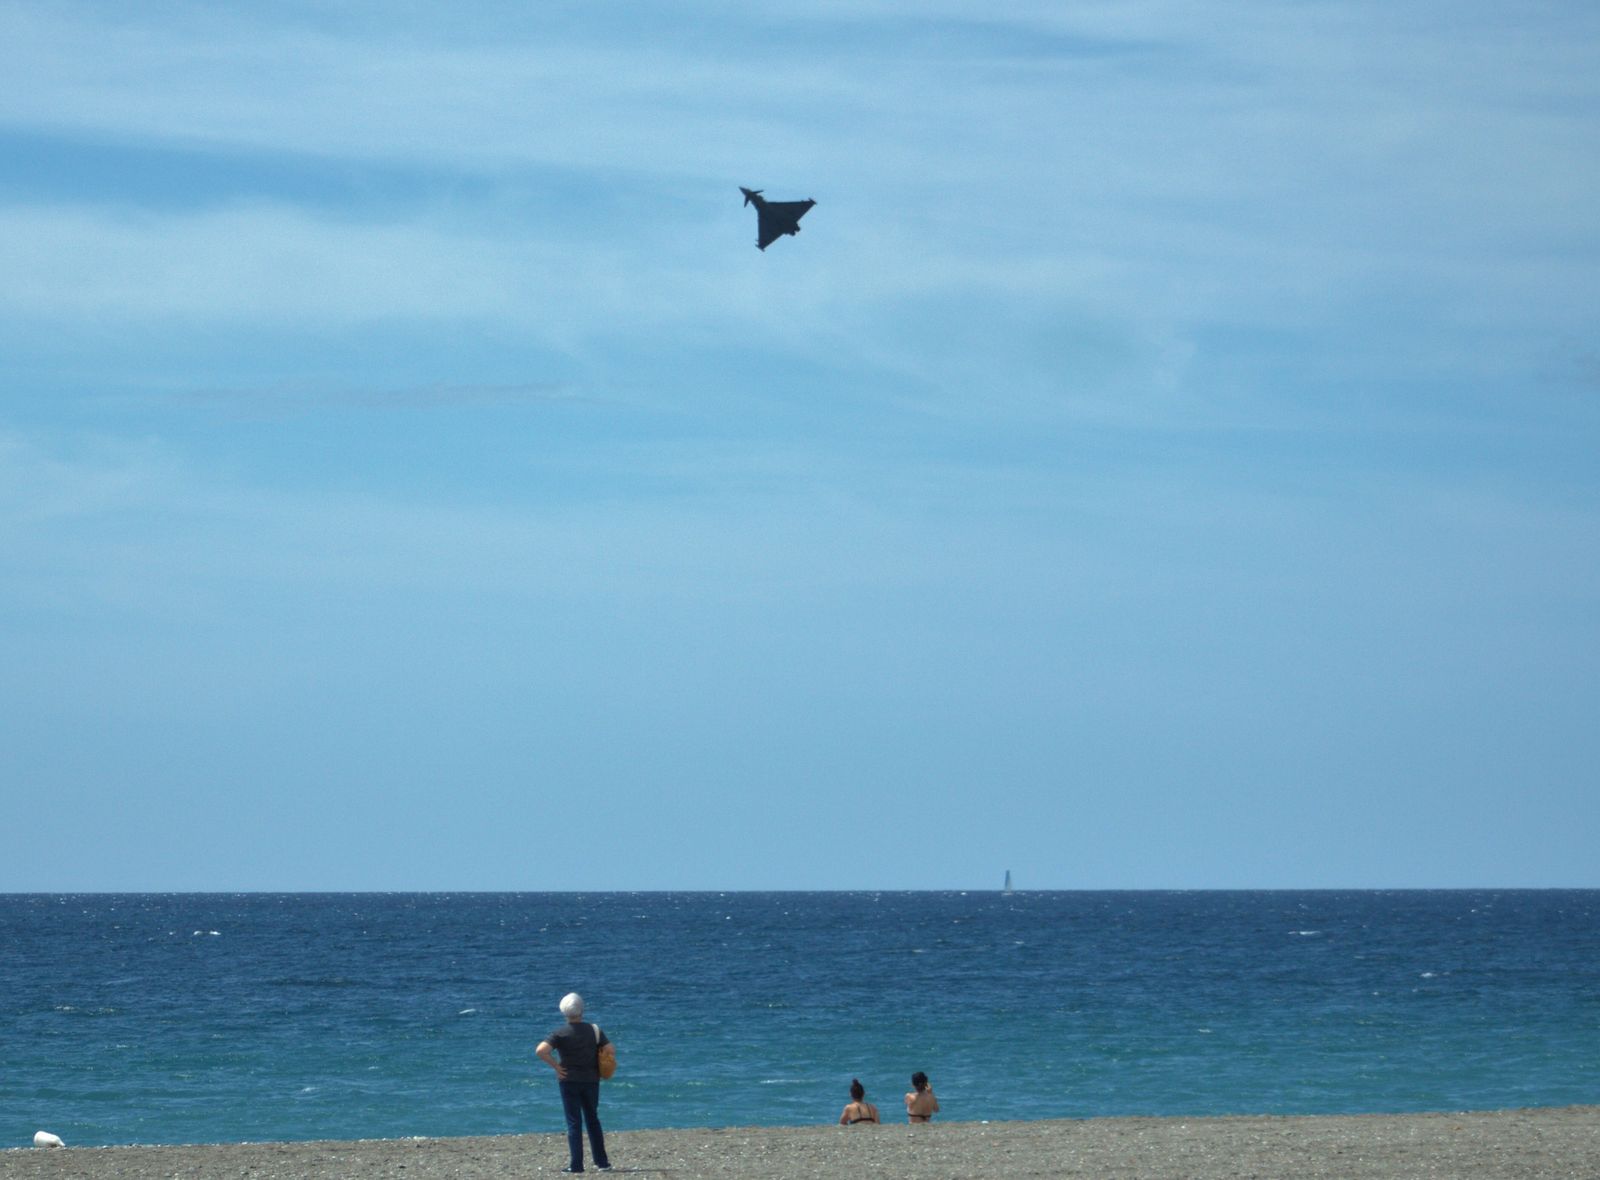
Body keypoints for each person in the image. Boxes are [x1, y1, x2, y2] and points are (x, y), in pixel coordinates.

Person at [535, 992, 613, 1173]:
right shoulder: (594, 1030)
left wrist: (556, 1066)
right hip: (591, 1079)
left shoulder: (560, 1033)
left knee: (574, 1122)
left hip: (568, 1080)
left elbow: (541, 1051)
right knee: (592, 1119)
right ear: (582, 1010)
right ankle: (602, 1163)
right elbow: (610, 1049)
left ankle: (576, 1165)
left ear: (564, 1012)